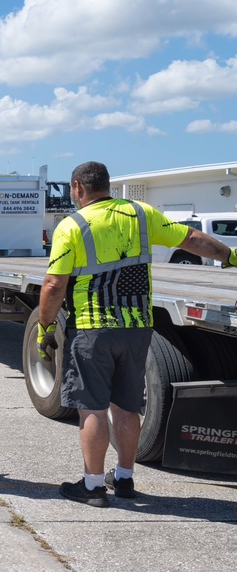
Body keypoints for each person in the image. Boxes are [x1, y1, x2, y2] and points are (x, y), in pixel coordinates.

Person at [38, 161, 237, 507]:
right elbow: (191, 238)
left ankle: (94, 486)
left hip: (91, 329)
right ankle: (125, 479)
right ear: (106, 185)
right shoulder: (141, 214)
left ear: (77, 188)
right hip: (137, 328)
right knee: (128, 407)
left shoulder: (73, 225)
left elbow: (54, 285)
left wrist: (44, 327)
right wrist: (230, 255)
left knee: (92, 409)